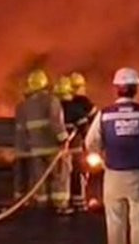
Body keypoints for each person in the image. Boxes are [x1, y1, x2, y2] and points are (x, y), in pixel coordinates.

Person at [85, 67, 139, 244]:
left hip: (113, 174)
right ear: (135, 89)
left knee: (115, 222)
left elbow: (90, 142)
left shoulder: (105, 114)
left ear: (117, 88)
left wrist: (103, 156)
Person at [14, 69, 70, 214]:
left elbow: (23, 130)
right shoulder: (52, 100)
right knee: (59, 176)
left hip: (35, 149)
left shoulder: (25, 105)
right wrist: (64, 138)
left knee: (39, 178)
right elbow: (56, 122)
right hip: (52, 148)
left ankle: (41, 205)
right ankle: (60, 205)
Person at [61, 73, 97, 211]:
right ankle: (79, 202)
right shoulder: (82, 104)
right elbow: (93, 122)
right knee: (79, 173)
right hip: (77, 147)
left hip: (62, 150)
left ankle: (68, 200)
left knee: (66, 176)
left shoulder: (59, 105)